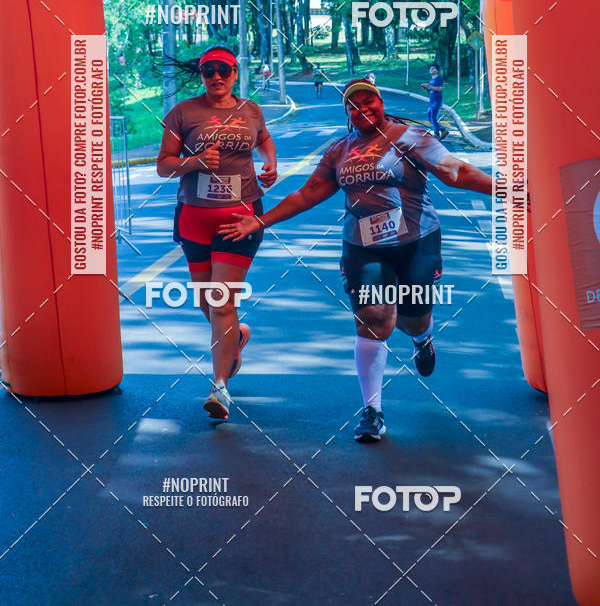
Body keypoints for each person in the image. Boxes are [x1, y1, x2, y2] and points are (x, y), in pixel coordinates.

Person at [219, 78, 492, 443]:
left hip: (416, 242)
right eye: (353, 105)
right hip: (363, 246)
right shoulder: (339, 150)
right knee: (375, 319)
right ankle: (372, 411)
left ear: (380, 103)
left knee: (412, 320)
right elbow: (309, 192)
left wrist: (506, 189)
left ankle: (422, 339)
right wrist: (259, 219)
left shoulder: (410, 137)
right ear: (347, 113)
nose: (362, 109)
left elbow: (455, 171)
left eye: (368, 102)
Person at [157, 45, 277, 421]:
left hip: (240, 218)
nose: (216, 77)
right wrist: (192, 162)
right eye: (209, 71)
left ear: (235, 73)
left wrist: (271, 164)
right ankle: (236, 338)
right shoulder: (183, 112)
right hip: (194, 216)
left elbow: (265, 139)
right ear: (202, 75)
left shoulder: (251, 111)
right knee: (207, 305)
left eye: (223, 70)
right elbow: (163, 166)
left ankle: (220, 387)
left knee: (222, 302)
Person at [421, 63, 448, 139]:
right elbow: (431, 91)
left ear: (437, 70)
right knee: (429, 117)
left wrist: (429, 86)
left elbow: (439, 88)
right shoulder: (431, 79)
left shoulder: (438, 78)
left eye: (433, 68)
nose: (431, 70)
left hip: (437, 100)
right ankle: (443, 130)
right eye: (430, 68)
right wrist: (426, 87)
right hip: (432, 100)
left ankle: (436, 134)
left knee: (433, 117)